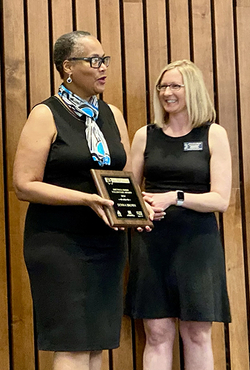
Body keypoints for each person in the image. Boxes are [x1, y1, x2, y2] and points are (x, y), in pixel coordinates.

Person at [13, 30, 132, 370]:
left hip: (107, 243)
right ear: (67, 67)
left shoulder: (113, 114)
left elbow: (122, 179)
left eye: (105, 59)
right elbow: (23, 184)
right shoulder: (45, 115)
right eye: (94, 61)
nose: (103, 67)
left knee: (96, 345)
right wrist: (84, 199)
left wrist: (138, 207)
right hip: (61, 244)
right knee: (73, 345)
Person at [125, 59, 232, 370]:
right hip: (152, 243)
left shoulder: (214, 134)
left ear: (192, 90)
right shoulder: (145, 135)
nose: (166, 93)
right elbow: (126, 190)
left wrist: (176, 198)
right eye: (162, 86)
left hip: (197, 244)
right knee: (156, 333)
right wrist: (140, 208)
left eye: (174, 86)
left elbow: (220, 200)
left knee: (197, 332)